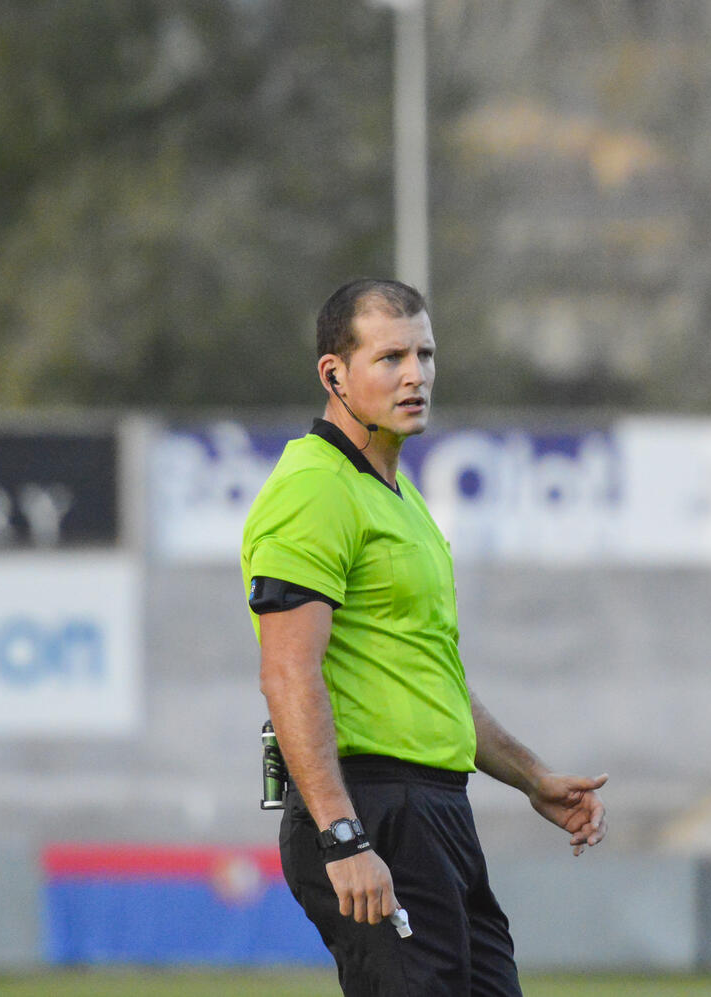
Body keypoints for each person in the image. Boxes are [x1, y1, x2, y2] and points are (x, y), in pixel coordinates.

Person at [240, 277, 608, 996]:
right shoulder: (312, 489)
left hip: (438, 811)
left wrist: (533, 777)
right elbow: (287, 673)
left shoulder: (400, 497)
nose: (416, 375)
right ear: (334, 374)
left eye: (425, 354)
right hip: (369, 807)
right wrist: (342, 835)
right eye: (390, 358)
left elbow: (430, 676)